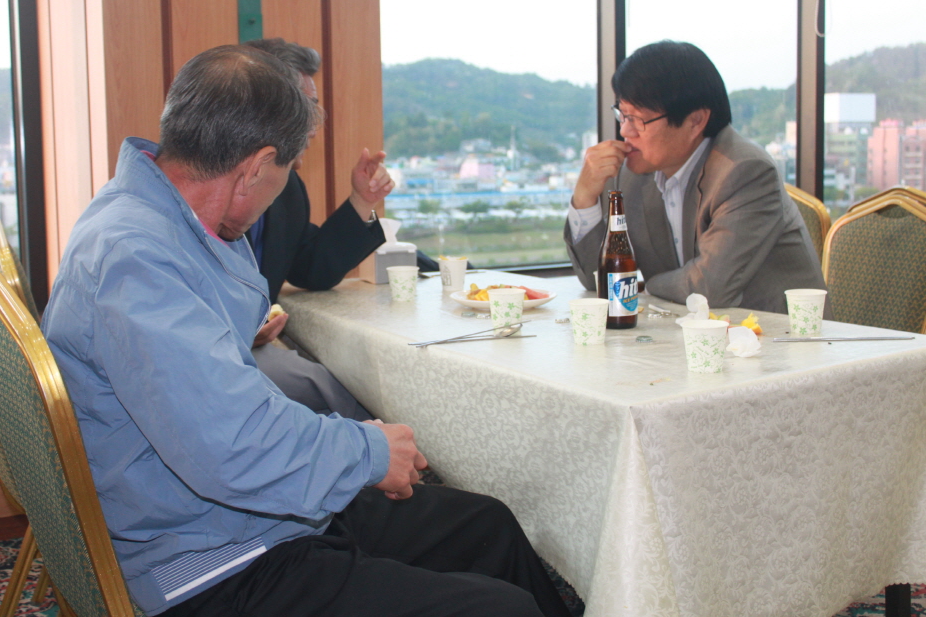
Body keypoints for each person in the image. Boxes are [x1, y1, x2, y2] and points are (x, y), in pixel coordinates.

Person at [42, 45, 572, 617]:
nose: (283, 186)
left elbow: (225, 413)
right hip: (205, 563)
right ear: (256, 166)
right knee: (500, 608)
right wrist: (367, 452)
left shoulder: (154, 217)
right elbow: (235, 445)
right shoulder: (136, 258)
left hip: (226, 513)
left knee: (485, 524)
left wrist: (351, 448)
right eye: (288, 169)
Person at [564, 40, 826, 314]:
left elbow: (709, 287)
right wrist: (585, 197)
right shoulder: (631, 173)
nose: (625, 132)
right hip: (688, 332)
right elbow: (598, 280)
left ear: (696, 121)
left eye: (638, 120)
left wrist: (645, 285)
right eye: (623, 115)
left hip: (776, 333)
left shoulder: (746, 172)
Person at [244, 38, 389, 420]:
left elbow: (311, 268)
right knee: (335, 388)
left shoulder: (288, 187)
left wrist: (362, 201)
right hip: (210, 354)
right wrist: (240, 328)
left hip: (248, 345)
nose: (315, 122)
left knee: (349, 383)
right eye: (306, 106)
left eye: (315, 105)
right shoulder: (205, 186)